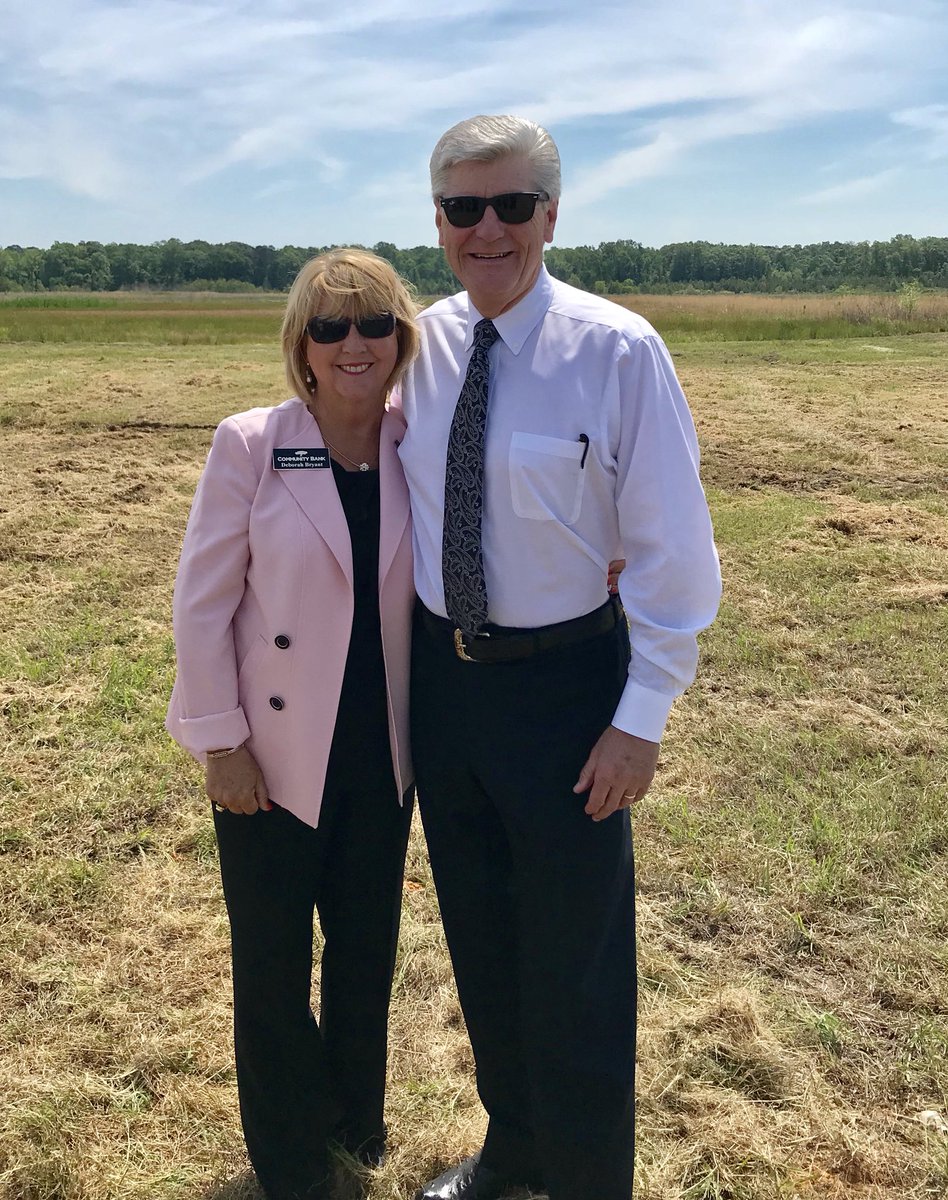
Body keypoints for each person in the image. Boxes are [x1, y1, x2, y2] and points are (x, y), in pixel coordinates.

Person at [397, 115, 722, 1200]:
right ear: (438, 220)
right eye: (462, 208)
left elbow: (676, 555)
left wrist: (641, 719)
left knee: (575, 962)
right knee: (483, 940)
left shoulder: (618, 350)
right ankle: (516, 1149)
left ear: (551, 213)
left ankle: (586, 1178)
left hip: (569, 693)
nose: (486, 229)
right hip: (446, 687)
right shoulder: (421, 343)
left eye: (511, 205)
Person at [165, 248, 420, 1200]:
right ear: (301, 347)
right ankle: (288, 1153)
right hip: (270, 759)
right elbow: (201, 604)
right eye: (329, 326)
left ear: (401, 338)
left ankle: (355, 1118)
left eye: (373, 323)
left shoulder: (416, 441)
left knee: (364, 954)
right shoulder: (252, 443)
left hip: (382, 752)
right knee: (271, 970)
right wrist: (221, 741)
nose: (353, 344)